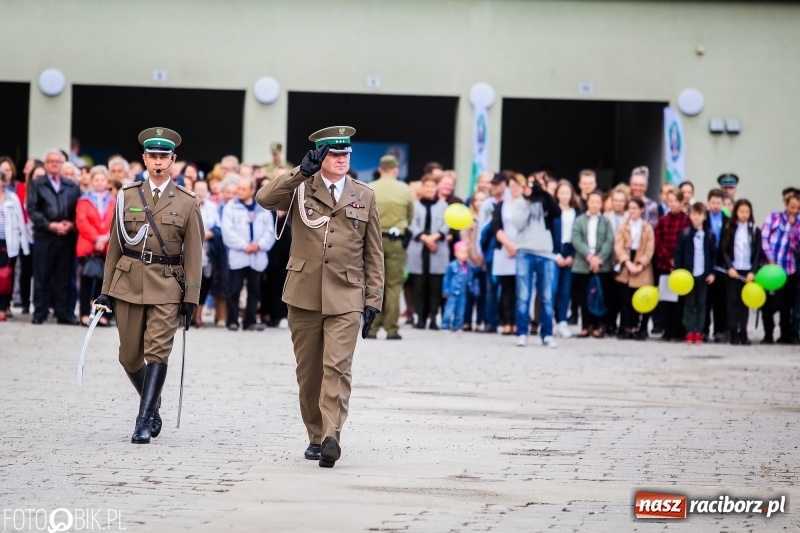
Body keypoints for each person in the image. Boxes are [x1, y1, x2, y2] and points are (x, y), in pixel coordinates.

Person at [256, 126, 384, 468]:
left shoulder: (364, 195)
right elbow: (264, 199)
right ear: (320, 156)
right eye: (334, 154)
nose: (341, 159)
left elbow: (374, 254)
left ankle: (331, 436)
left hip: (346, 294)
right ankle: (315, 435)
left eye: (345, 153)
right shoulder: (301, 188)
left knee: (337, 368)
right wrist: (300, 172)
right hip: (304, 294)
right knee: (309, 373)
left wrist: (373, 300)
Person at [95, 127, 204, 444]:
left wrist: (191, 296)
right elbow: (115, 246)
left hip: (167, 284)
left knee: (157, 351)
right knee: (129, 356)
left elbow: (194, 252)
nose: (158, 161)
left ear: (173, 160)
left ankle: (142, 422)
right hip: (128, 282)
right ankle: (153, 404)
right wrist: (105, 289)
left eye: (163, 157)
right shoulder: (127, 196)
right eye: (152, 156)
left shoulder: (187, 201)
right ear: (144, 158)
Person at [27, 149, 81, 325]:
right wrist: (50, 225)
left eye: (58, 161)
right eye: (51, 161)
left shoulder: (71, 186)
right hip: (45, 235)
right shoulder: (37, 184)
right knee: (42, 275)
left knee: (64, 276)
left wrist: (71, 224)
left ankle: (63, 313)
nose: (54, 164)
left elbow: (79, 209)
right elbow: (32, 209)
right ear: (45, 164)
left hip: (66, 237)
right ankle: (40, 312)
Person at [511, 172, 561, 348]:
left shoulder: (547, 200)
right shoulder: (520, 202)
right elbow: (518, 224)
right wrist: (528, 200)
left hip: (546, 253)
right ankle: (522, 333)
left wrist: (544, 193)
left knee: (547, 296)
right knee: (523, 295)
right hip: (524, 252)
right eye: (531, 184)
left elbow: (557, 213)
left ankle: (547, 334)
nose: (534, 188)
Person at [367, 155, 413, 340]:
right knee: (394, 285)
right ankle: (391, 329)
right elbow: (410, 216)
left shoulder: (370, 187)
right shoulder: (405, 189)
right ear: (396, 170)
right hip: (396, 240)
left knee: (373, 283)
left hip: (373, 240)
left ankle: (371, 327)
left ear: (380, 169)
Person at [221, 177, 276, 331]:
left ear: (252, 191)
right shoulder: (230, 207)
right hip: (239, 255)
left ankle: (250, 321)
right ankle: (232, 320)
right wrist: (244, 245)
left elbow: (269, 231)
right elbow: (227, 231)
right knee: (234, 290)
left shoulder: (262, 208)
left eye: (243, 189)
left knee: (254, 290)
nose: (239, 192)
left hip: (257, 255)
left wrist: (259, 245)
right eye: (238, 189)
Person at [407, 174, 450, 329]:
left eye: (432, 186)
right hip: (419, 247)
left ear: (436, 188)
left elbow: (446, 224)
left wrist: (435, 237)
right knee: (419, 285)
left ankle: (433, 317)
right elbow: (411, 223)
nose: (430, 189)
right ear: (423, 188)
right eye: (427, 186)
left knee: (435, 286)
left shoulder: (443, 206)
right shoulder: (415, 205)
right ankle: (420, 317)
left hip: (437, 248)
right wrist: (425, 238)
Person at [75, 165, 115, 327]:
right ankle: (84, 314)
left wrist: (105, 238)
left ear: (107, 181)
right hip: (88, 245)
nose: (99, 182)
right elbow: (82, 222)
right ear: (91, 181)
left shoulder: (113, 201)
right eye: (96, 179)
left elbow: (115, 222)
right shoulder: (83, 200)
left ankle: (101, 315)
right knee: (86, 281)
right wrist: (97, 238)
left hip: (107, 245)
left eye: (102, 179)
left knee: (103, 283)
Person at [571, 190, 614, 338]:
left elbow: (609, 241)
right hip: (583, 263)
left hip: (601, 265)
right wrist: (590, 257)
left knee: (599, 296)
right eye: (592, 202)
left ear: (601, 204)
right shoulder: (580, 220)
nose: (595, 205)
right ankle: (585, 326)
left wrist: (599, 259)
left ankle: (596, 326)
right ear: (587, 203)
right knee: (584, 296)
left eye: (598, 202)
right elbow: (576, 239)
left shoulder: (606, 222)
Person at [760, 190, 800, 344]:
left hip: (788, 269)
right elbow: (764, 237)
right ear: (786, 205)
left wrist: (794, 229)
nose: (794, 211)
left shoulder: (798, 223)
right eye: (792, 207)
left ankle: (785, 334)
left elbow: (796, 247)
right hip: (770, 269)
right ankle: (768, 334)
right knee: (767, 304)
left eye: (798, 208)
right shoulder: (774, 217)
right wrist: (770, 258)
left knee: (787, 305)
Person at [721, 199, 761, 345]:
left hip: (747, 271)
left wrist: (753, 271)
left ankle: (743, 333)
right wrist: (730, 267)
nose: (744, 214)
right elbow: (724, 249)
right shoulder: (729, 228)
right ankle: (733, 333)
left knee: (745, 302)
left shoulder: (755, 230)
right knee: (732, 301)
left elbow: (757, 252)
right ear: (736, 212)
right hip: (733, 270)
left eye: (747, 212)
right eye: (741, 211)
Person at [489, 173, 525, 335]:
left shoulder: (528, 204)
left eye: (518, 186)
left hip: (523, 250)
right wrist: (509, 245)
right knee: (506, 288)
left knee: (521, 289)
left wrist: (518, 247)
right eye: (513, 186)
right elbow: (495, 227)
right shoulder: (502, 205)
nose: (515, 189)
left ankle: (519, 321)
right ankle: (507, 321)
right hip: (504, 250)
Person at [614, 197, 655, 340]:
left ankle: (641, 328)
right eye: (630, 208)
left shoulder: (647, 227)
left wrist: (641, 264)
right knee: (625, 299)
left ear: (642, 210)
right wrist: (627, 262)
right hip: (627, 261)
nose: (632, 211)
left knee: (642, 298)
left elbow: (650, 248)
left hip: (641, 263)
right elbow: (618, 246)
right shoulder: (623, 226)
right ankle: (625, 327)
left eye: (635, 208)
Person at [675, 203, 715, 344]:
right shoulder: (685, 233)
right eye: (694, 214)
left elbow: (713, 256)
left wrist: (712, 273)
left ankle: (699, 331)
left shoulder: (709, 235)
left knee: (702, 304)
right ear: (690, 216)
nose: (696, 217)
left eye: (700, 214)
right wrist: (679, 272)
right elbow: (678, 254)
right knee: (689, 304)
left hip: (704, 275)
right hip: (688, 275)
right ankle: (690, 331)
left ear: (704, 216)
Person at [654, 189, 690, 341]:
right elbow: (658, 242)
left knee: (680, 301)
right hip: (665, 265)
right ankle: (667, 330)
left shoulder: (687, 220)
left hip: (681, 267)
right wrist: (669, 259)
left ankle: (678, 330)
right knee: (666, 300)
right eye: (670, 201)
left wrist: (678, 260)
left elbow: (687, 243)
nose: (673, 204)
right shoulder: (663, 220)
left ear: (682, 202)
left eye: (676, 201)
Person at [0, 173, 29, 321]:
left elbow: (20, 222)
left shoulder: (12, 198)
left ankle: (3, 307)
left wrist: (24, 245)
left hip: (8, 242)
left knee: (5, 276)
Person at [553, 180, 580, 338]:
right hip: (554, 252)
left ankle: (562, 322)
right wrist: (556, 254)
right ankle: (549, 320)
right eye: (562, 192)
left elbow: (579, 235)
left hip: (570, 251)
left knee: (565, 290)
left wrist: (572, 255)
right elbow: (549, 233)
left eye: (567, 193)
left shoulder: (576, 213)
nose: (565, 196)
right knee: (552, 289)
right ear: (557, 194)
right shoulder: (553, 211)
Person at [192, 179, 220, 328]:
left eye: (203, 190)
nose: (201, 193)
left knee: (204, 283)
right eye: (198, 189)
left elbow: (218, 227)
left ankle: (198, 316)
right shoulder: (188, 204)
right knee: (189, 283)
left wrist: (207, 234)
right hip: (189, 250)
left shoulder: (212, 207)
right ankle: (186, 316)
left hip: (207, 250)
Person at [703, 188, 729, 342]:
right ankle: (704, 330)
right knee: (706, 299)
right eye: (713, 203)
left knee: (720, 300)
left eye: (719, 203)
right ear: (708, 202)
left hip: (722, 262)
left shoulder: (727, 220)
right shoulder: (703, 218)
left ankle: (720, 330)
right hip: (707, 262)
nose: (716, 206)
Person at [460, 191, 487, 331]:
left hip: (485, 261)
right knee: (468, 292)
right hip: (470, 260)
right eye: (477, 200)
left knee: (483, 293)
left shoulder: (488, 219)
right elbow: (465, 239)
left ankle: (480, 321)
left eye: (483, 200)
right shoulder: (468, 219)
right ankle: (466, 321)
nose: (480, 203)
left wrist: (483, 255)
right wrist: (473, 255)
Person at [441, 241, 478, 332]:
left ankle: (457, 326)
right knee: (449, 309)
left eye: (466, 252)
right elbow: (447, 278)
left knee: (460, 310)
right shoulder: (452, 265)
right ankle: (445, 325)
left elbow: (470, 278)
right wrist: (446, 289)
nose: (465, 255)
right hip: (453, 291)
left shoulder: (468, 266)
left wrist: (472, 288)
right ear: (456, 253)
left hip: (463, 292)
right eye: (462, 252)